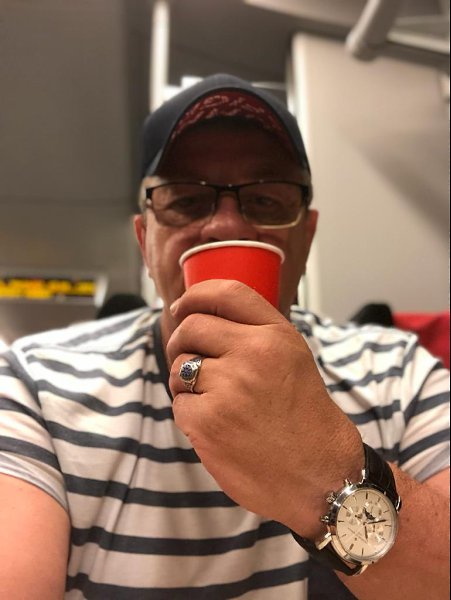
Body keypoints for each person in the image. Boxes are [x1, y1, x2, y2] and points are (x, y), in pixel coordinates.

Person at [0, 74, 449, 599]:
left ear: (305, 237)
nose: (227, 225)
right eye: (187, 200)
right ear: (145, 242)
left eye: (266, 199)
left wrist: (325, 471)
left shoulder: (402, 373)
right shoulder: (32, 384)